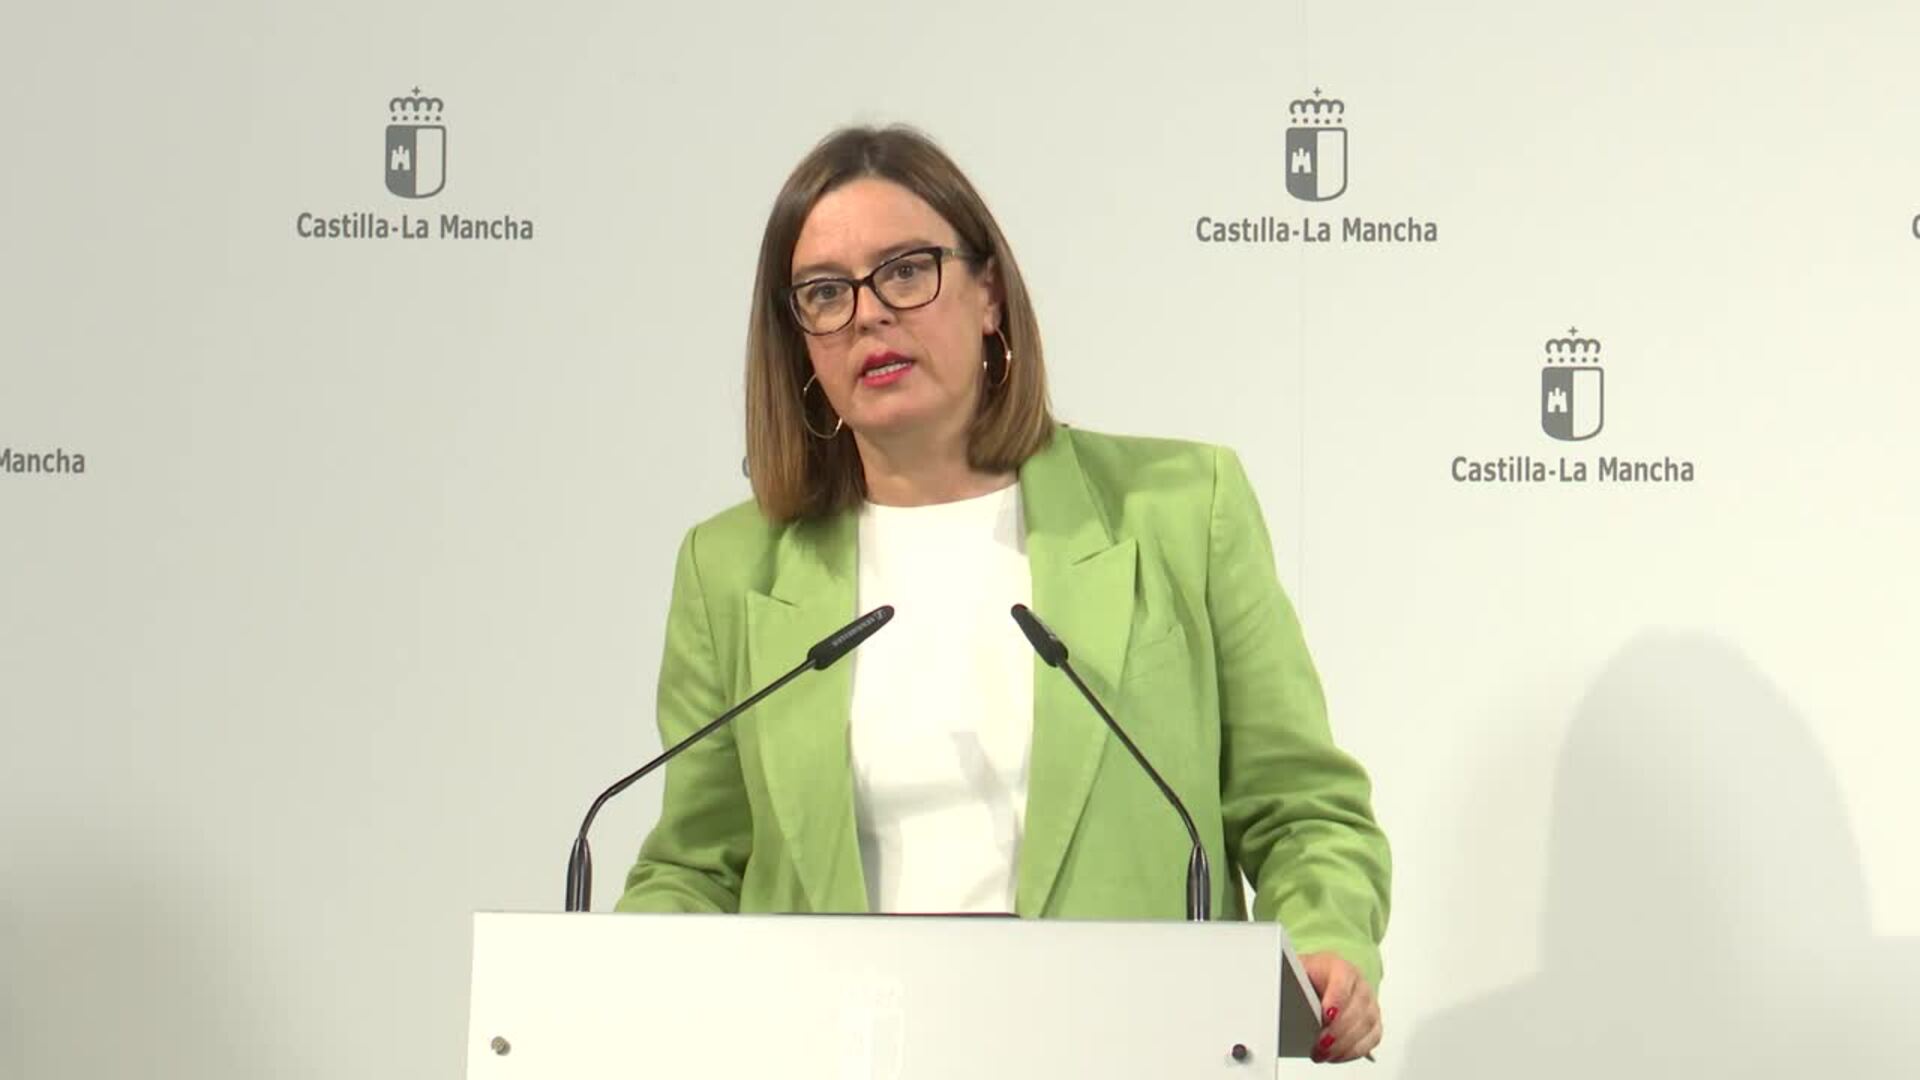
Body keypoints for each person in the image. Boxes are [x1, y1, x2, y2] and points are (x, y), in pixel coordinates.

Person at [615, 124, 1390, 1064]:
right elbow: (696, 865)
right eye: (824, 293)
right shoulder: (732, 568)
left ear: (989, 292)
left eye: (906, 271)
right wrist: (602, 994)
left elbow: (1300, 807)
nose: (868, 315)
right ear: (799, 342)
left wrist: (1329, 942)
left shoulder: (1183, 511)